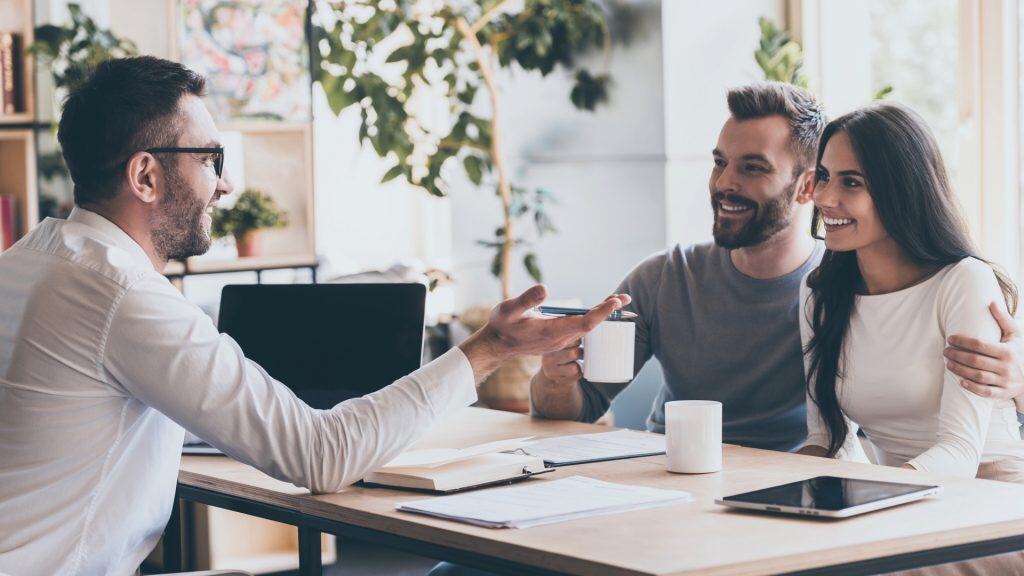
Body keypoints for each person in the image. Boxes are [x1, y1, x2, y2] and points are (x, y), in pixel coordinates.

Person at [0, 56, 627, 576]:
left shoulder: (29, 260)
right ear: (145, 176)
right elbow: (320, 456)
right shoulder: (124, 296)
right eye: (210, 159)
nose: (225, 186)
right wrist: (490, 347)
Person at [529, 81, 1024, 451]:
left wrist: (1018, 381)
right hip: (671, 485)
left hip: (785, 494)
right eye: (720, 162)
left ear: (806, 187)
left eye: (753, 168)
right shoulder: (663, 279)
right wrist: (554, 380)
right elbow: (579, 407)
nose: (724, 182)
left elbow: (919, 390)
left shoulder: (841, 289)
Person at [798, 102, 1024, 481]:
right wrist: (774, 487)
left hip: (991, 498)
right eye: (824, 176)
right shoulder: (819, 291)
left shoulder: (963, 282)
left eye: (851, 182)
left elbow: (960, 453)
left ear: (902, 191)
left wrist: (874, 493)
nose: (824, 197)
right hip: (899, 495)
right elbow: (826, 438)